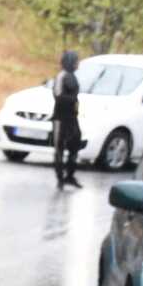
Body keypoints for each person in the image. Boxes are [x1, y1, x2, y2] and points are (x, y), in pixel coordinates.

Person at [50, 50, 84, 188]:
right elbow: (58, 95)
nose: (77, 63)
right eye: (76, 61)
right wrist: (72, 100)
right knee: (59, 147)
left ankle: (70, 175)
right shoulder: (61, 76)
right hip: (60, 117)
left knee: (75, 144)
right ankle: (60, 179)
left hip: (72, 117)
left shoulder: (73, 77)